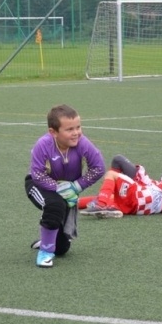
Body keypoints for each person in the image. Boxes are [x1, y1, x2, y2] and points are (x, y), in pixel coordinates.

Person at [25, 104, 106, 268]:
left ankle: (47, 239)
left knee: (62, 249)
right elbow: (38, 175)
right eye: (69, 129)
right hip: (39, 184)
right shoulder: (43, 145)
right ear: (53, 132)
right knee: (55, 205)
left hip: (69, 189)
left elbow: (99, 168)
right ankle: (45, 253)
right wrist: (59, 188)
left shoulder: (82, 143)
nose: (76, 132)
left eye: (78, 127)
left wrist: (76, 186)